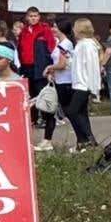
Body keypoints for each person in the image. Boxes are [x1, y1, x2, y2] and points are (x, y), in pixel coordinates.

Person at [36, 20, 75, 153]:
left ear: (61, 29)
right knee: (50, 111)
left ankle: (84, 139)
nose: (52, 29)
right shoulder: (60, 43)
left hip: (65, 82)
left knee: (70, 112)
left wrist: (49, 67)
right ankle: (47, 140)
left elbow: (62, 64)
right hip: (58, 80)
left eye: (55, 27)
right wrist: (52, 73)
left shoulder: (65, 44)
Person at [18, 7, 57, 127]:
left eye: (35, 16)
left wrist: (50, 67)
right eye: (31, 16)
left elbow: (51, 47)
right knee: (30, 93)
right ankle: (32, 119)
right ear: (27, 17)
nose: (33, 18)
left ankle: (47, 118)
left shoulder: (44, 29)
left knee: (42, 93)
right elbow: (21, 48)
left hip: (40, 66)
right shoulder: (24, 31)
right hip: (27, 66)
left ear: (39, 17)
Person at [67, 19, 100, 150]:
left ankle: (90, 139)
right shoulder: (81, 44)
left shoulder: (87, 45)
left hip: (84, 84)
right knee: (81, 113)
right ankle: (84, 143)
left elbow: (92, 66)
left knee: (72, 111)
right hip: (79, 83)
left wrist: (94, 87)